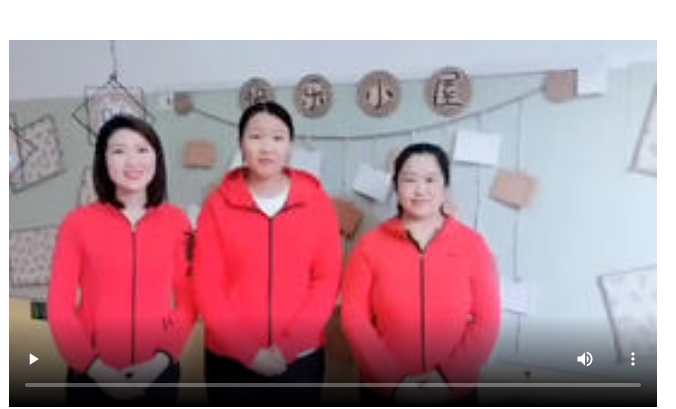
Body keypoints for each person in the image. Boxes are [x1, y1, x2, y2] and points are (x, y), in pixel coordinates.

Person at [193, 101, 343, 406]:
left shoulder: (317, 202)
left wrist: (289, 347)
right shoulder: (217, 205)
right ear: (241, 145)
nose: (267, 147)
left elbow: (326, 281)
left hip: (300, 358)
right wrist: (248, 352)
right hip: (230, 360)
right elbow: (207, 286)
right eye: (256, 136)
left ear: (290, 146)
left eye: (277, 137)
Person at [48, 115, 196, 405]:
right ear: (103, 160)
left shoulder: (178, 222)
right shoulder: (77, 224)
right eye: (119, 151)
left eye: (142, 149)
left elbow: (189, 302)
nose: (132, 161)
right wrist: (97, 371)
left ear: (156, 157)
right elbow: (59, 309)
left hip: (158, 371)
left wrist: (159, 362)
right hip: (91, 373)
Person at [342, 142, 501, 406]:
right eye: (409, 179)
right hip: (385, 390)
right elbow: (354, 318)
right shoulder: (370, 246)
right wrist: (394, 381)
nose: (420, 190)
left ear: (445, 186)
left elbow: (488, 320)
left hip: (452, 390)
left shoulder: (472, 245)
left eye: (430, 180)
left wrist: (447, 377)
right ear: (396, 186)